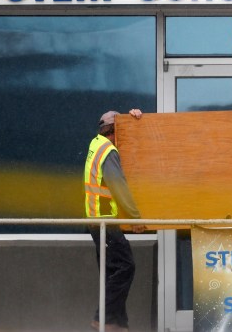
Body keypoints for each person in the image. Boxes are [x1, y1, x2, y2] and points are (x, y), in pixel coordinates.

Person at [85, 108, 147, 332]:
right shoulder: (109, 151)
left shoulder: (96, 144)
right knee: (125, 267)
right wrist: (135, 217)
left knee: (113, 272)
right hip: (105, 222)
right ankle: (103, 318)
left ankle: (118, 324)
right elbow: (118, 186)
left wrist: (132, 117)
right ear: (115, 130)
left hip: (97, 221)